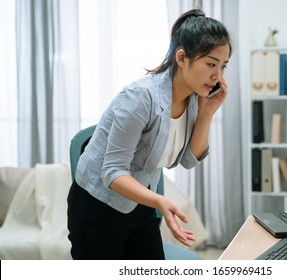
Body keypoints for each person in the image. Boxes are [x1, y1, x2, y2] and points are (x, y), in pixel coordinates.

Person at [67, 8, 232, 260]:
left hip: (140, 201)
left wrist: (208, 113)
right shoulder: (140, 97)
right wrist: (159, 201)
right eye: (211, 64)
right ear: (181, 58)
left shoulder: (195, 98)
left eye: (223, 66)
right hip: (97, 207)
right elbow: (112, 171)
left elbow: (188, 160)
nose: (217, 76)